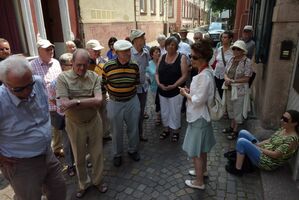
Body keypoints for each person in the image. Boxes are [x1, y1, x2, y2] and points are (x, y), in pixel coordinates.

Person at [0, 55, 66, 200]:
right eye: (19, 89)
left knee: (59, 190)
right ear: (5, 83)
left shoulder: (37, 81)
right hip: (21, 163)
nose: (27, 91)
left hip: (46, 153)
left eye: (29, 84)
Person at [56, 49, 107, 198]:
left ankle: (98, 181)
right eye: (78, 65)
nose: (82, 69)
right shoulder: (63, 78)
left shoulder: (95, 77)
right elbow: (64, 103)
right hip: (74, 123)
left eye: (85, 65)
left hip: (93, 121)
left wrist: (75, 101)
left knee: (97, 154)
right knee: (78, 157)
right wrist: (86, 101)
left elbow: (98, 100)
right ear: (72, 62)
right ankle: (83, 184)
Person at [180, 40, 216, 190]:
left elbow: (198, 101)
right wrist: (191, 92)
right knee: (202, 149)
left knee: (196, 153)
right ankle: (203, 172)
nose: (191, 59)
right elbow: (201, 95)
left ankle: (199, 182)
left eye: (193, 57)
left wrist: (185, 94)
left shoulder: (203, 76)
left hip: (198, 117)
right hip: (202, 117)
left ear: (202, 59)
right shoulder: (205, 72)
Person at [102, 40, 141, 167]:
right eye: (124, 52)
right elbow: (104, 83)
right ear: (117, 52)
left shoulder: (134, 65)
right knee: (116, 130)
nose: (128, 54)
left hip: (132, 100)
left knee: (133, 128)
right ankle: (117, 154)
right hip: (115, 102)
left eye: (128, 51)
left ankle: (133, 150)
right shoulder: (108, 66)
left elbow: (137, 81)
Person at [226, 110, 299, 176]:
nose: (282, 120)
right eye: (282, 117)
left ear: (294, 123)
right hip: (263, 150)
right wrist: (258, 145)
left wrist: (258, 148)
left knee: (241, 142)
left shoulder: (292, 140)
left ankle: (238, 170)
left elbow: (275, 155)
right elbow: (270, 140)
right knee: (243, 132)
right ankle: (241, 156)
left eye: (285, 119)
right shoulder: (283, 129)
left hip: (267, 161)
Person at [30, 39, 64, 158]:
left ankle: (57, 147)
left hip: (57, 102)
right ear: (39, 51)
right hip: (42, 104)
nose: (51, 51)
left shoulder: (56, 62)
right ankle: (46, 151)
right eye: (47, 49)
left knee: (57, 127)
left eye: (51, 48)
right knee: (45, 129)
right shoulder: (32, 65)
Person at [155, 36, 188, 142]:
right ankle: (166, 129)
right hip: (162, 90)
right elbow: (156, 73)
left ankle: (176, 131)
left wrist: (174, 85)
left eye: (173, 44)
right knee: (164, 111)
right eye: (168, 44)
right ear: (165, 46)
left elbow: (184, 75)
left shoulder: (181, 57)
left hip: (175, 91)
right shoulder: (162, 56)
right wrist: (159, 83)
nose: (170, 46)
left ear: (176, 46)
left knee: (175, 111)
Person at [48, 53, 76, 177]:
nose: (74, 67)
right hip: (66, 116)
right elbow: (52, 99)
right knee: (67, 141)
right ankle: (70, 165)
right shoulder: (55, 83)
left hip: (79, 115)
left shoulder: (78, 78)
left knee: (81, 139)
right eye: (72, 64)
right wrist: (62, 108)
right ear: (64, 66)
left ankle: (81, 160)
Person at [222, 40, 253, 140]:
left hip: (239, 90)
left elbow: (247, 77)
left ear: (243, 50)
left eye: (238, 49)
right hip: (229, 88)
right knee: (230, 108)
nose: (235, 50)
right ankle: (231, 127)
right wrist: (226, 78)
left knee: (237, 110)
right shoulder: (231, 59)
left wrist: (233, 81)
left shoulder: (246, 61)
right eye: (234, 48)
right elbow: (225, 71)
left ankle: (235, 130)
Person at [130, 29, 150, 142]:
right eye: (142, 38)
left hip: (144, 88)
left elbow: (146, 67)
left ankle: (140, 134)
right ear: (135, 40)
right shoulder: (129, 54)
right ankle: (133, 136)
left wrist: (147, 77)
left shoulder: (146, 52)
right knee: (134, 114)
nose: (145, 40)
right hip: (133, 90)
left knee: (141, 112)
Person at [213, 31, 234, 98]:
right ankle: (221, 107)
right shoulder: (219, 49)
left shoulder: (233, 50)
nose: (223, 39)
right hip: (217, 74)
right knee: (219, 93)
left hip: (227, 76)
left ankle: (225, 107)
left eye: (225, 37)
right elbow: (216, 60)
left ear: (230, 39)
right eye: (222, 37)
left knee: (225, 94)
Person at [146, 46, 161, 125]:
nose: (158, 53)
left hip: (162, 86)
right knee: (156, 103)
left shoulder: (162, 62)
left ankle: (162, 116)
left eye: (159, 51)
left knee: (163, 102)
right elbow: (145, 73)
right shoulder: (148, 64)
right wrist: (148, 79)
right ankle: (157, 117)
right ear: (152, 55)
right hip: (154, 87)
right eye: (156, 52)